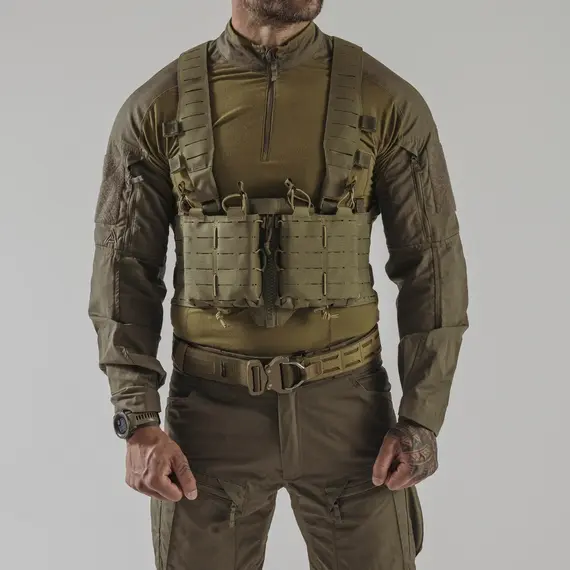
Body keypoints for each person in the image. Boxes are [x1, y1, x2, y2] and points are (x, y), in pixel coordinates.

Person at [88, 0, 469, 568]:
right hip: (208, 423)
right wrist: (137, 418)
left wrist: (421, 418)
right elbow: (123, 271)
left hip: (351, 419)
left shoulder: (384, 101)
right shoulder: (158, 107)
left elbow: (433, 265)